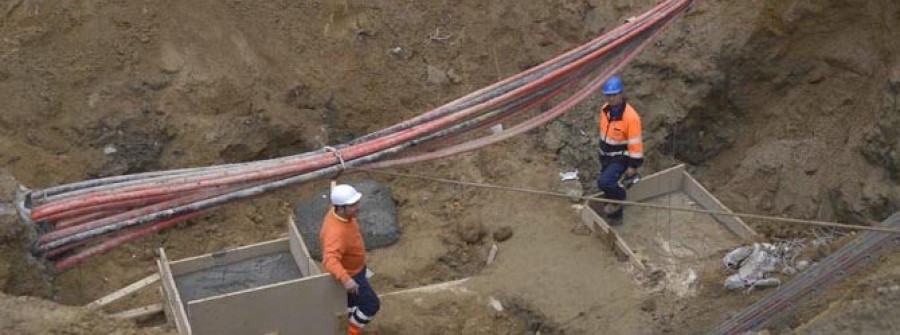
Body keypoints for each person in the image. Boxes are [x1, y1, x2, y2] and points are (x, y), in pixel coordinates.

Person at [320, 184, 380, 335]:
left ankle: (350, 314)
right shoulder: (336, 233)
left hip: (355, 267)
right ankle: (352, 331)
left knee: (352, 302)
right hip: (352, 274)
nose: (358, 207)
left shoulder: (338, 213)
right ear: (341, 208)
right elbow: (329, 259)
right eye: (353, 205)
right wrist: (346, 279)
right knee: (371, 305)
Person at [596, 75, 643, 223]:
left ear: (621, 94)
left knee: (604, 182)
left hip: (620, 158)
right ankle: (615, 218)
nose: (610, 99)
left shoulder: (631, 117)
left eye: (614, 95)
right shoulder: (605, 110)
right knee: (608, 187)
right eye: (608, 95)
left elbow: (635, 144)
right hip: (606, 156)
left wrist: (633, 166)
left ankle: (620, 197)